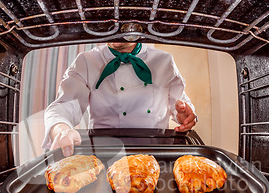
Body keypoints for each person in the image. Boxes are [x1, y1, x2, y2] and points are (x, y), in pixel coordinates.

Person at [42, 42, 197, 157]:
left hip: (156, 154)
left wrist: (183, 115)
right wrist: (61, 130)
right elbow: (63, 105)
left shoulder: (164, 60)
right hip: (103, 156)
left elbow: (179, 100)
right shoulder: (86, 61)